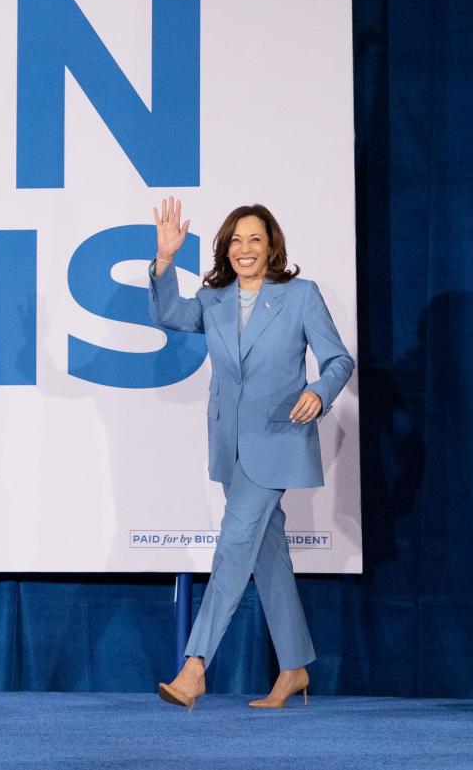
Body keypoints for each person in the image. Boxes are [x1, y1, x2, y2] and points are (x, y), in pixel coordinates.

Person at [148, 196, 354, 710]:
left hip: (278, 439)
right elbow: (170, 314)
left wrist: (318, 393)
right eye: (236, 240)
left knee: (233, 546)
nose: (245, 249)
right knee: (268, 557)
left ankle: (195, 667)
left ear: (271, 246)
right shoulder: (213, 299)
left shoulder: (300, 296)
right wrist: (165, 262)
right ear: (225, 248)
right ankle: (294, 669)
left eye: (254, 239)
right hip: (229, 444)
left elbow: (338, 360)